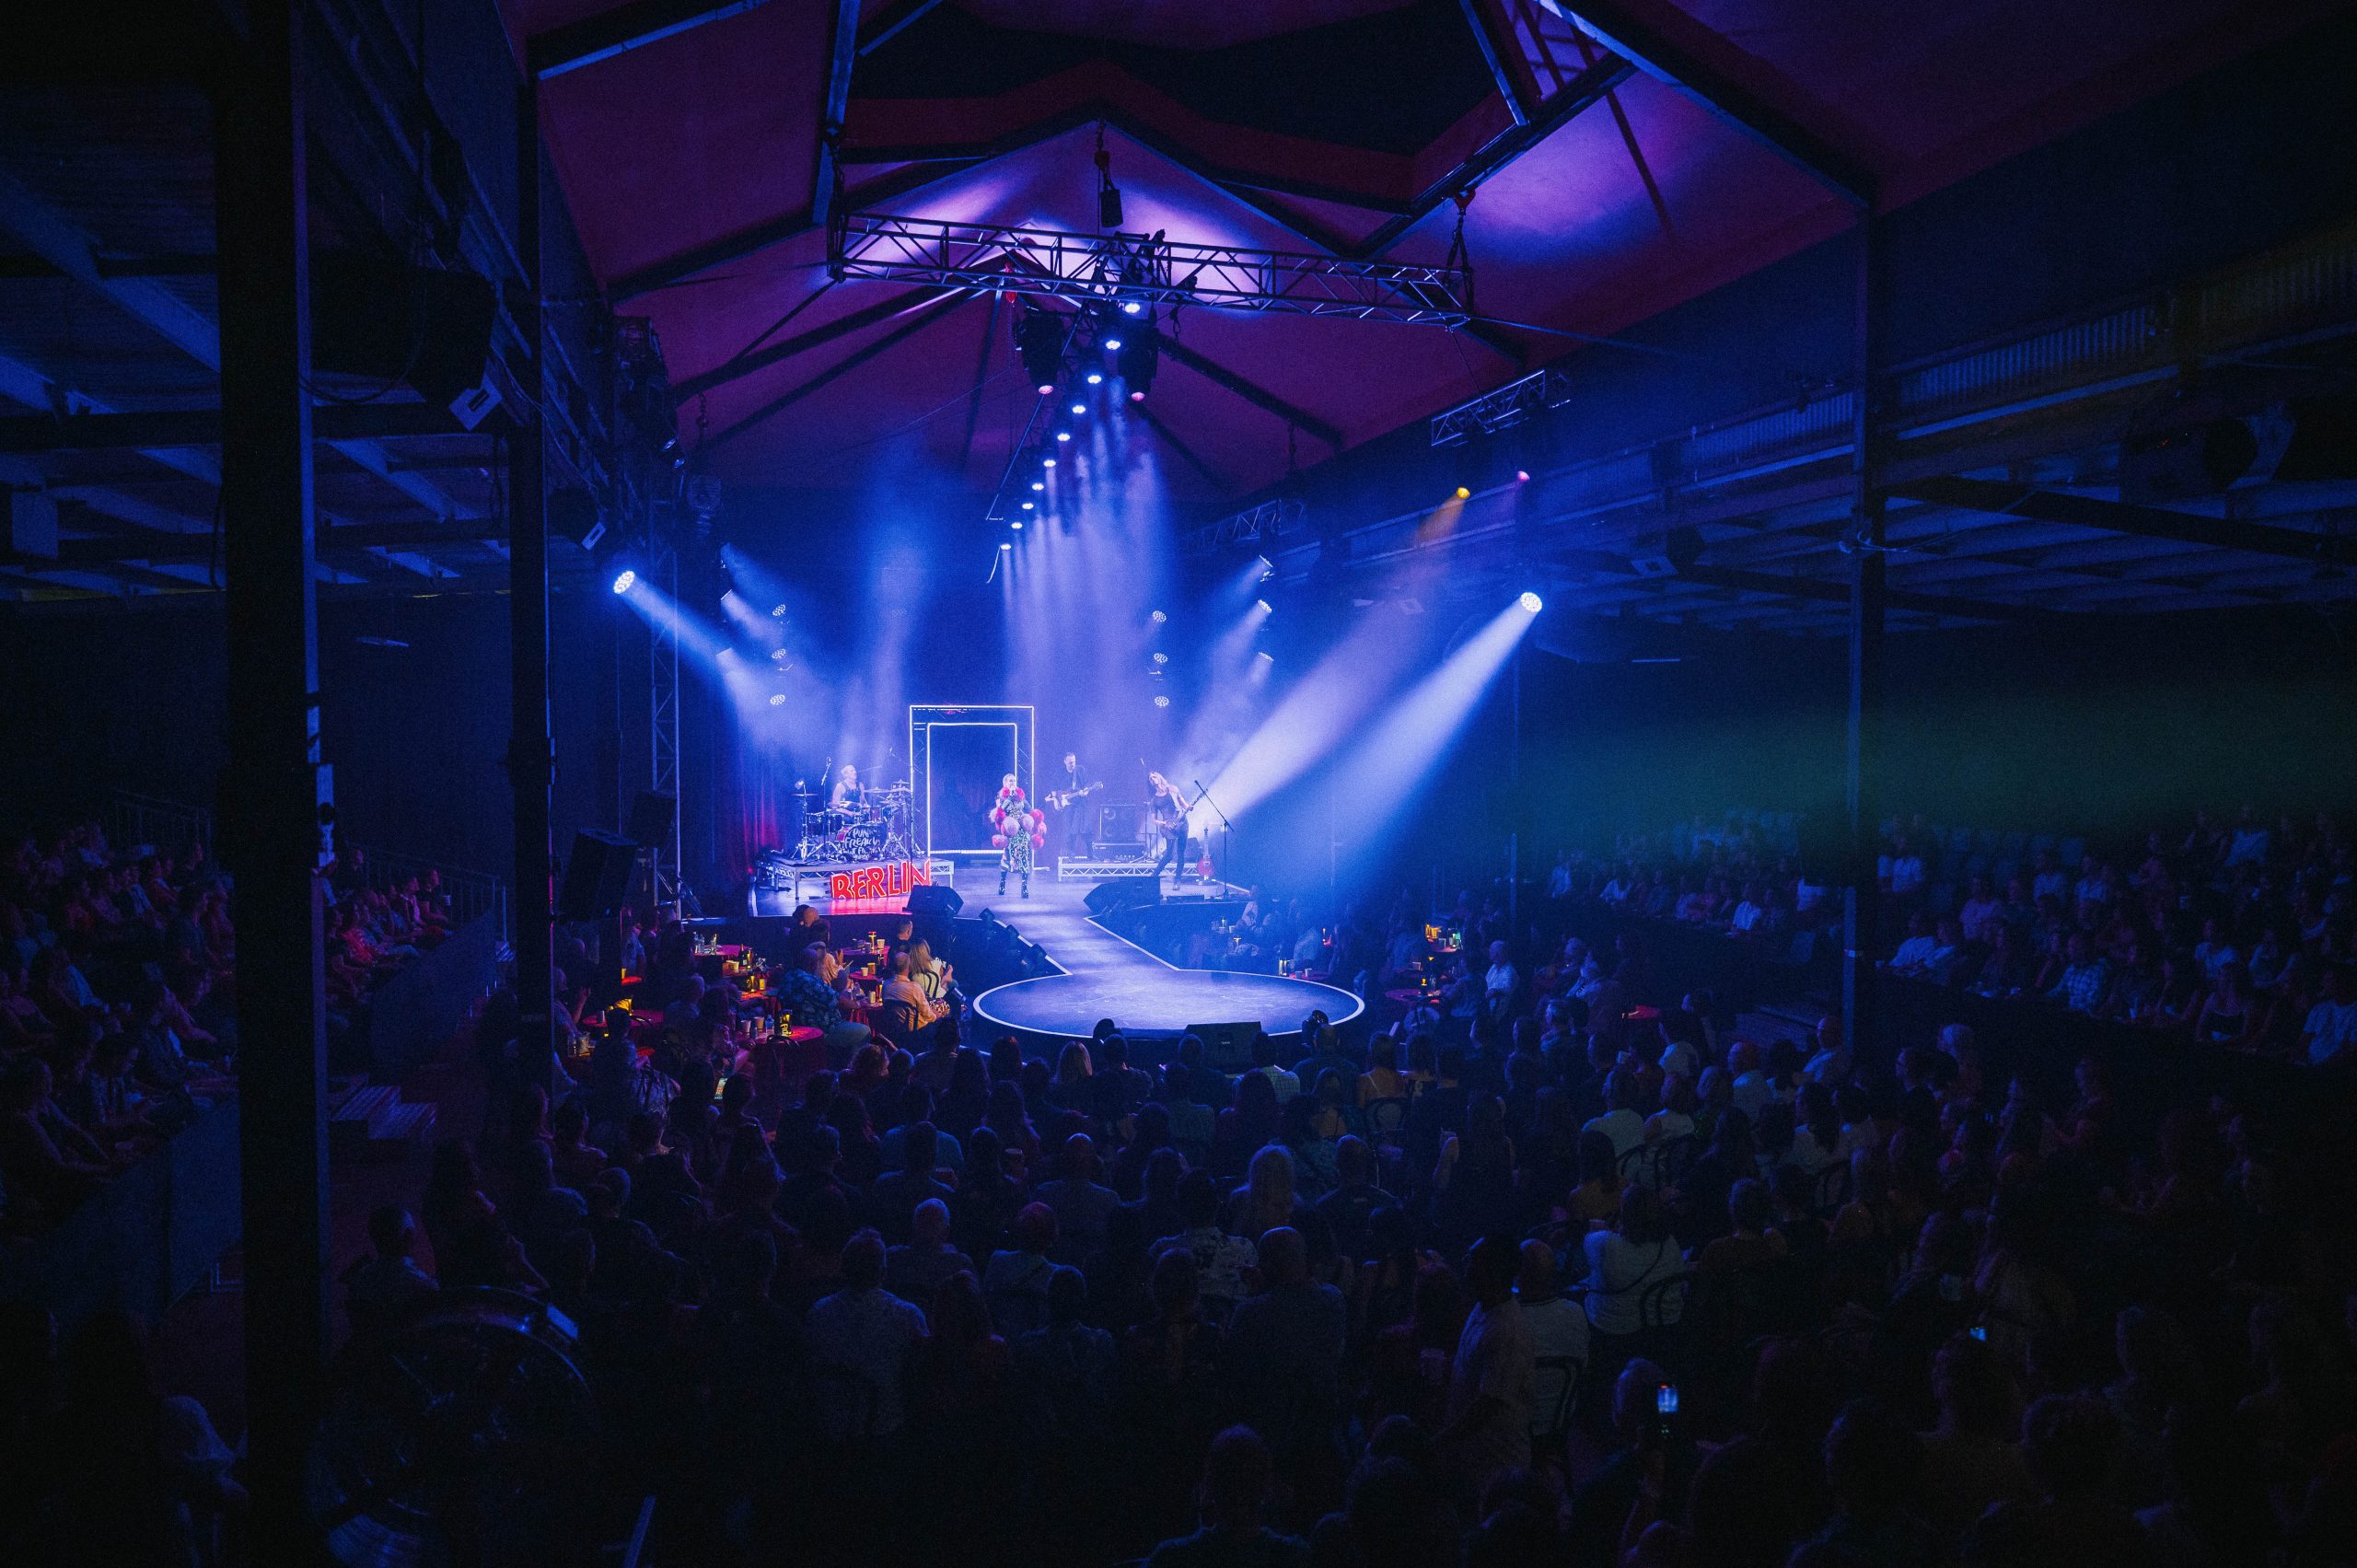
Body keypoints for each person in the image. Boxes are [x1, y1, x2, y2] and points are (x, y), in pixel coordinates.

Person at [805, 1228, 929, 1441]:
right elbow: (925, 1377)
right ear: (883, 1271)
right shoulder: (908, 1316)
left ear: (843, 1267)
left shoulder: (818, 1312)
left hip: (828, 1427)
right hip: (887, 1428)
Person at [1435, 1236, 1537, 1490]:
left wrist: (1440, 1440)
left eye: (1473, 1259)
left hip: (1495, 1462)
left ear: (1489, 1271)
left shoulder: (1506, 1331)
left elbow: (1487, 1405)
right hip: (1475, 1453)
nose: (1465, 1263)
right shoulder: (1484, 1306)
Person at [1143, 1425, 1309, 1568]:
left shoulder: (1173, 1557)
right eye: (1231, 1476)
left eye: (1247, 1477)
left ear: (1209, 1483)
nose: (1238, 1489)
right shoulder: (1292, 1555)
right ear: (1266, 1484)